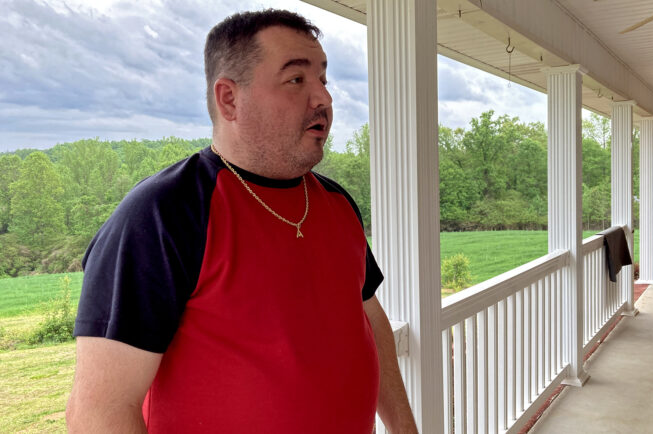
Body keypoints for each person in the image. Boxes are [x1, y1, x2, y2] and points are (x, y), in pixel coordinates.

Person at [66, 9, 417, 433]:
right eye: (296, 79)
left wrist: (405, 428)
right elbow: (100, 412)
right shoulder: (163, 214)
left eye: (323, 79)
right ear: (229, 98)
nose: (323, 98)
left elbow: (368, 316)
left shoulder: (336, 203)